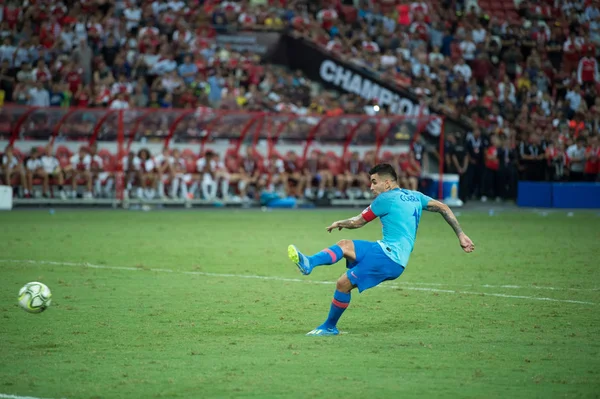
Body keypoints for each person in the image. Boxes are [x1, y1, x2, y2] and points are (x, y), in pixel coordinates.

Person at [287, 163, 475, 336]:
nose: (371, 187)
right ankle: (310, 262)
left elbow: (358, 222)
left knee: (342, 284)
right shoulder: (415, 196)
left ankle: (329, 327)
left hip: (388, 258)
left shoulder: (385, 198)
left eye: (374, 182)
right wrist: (461, 234)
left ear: (386, 183)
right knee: (344, 245)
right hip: (387, 251)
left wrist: (341, 222)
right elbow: (443, 207)